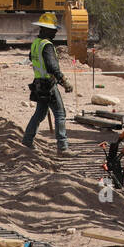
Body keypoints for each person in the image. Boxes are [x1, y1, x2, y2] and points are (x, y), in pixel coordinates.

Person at [23, 14, 74, 154]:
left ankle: (27, 141)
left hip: (38, 83)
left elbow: (31, 58)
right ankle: (63, 147)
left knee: (39, 114)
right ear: (45, 29)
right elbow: (52, 66)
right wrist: (64, 81)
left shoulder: (36, 43)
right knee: (60, 113)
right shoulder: (47, 45)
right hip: (48, 84)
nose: (55, 32)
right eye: (53, 29)